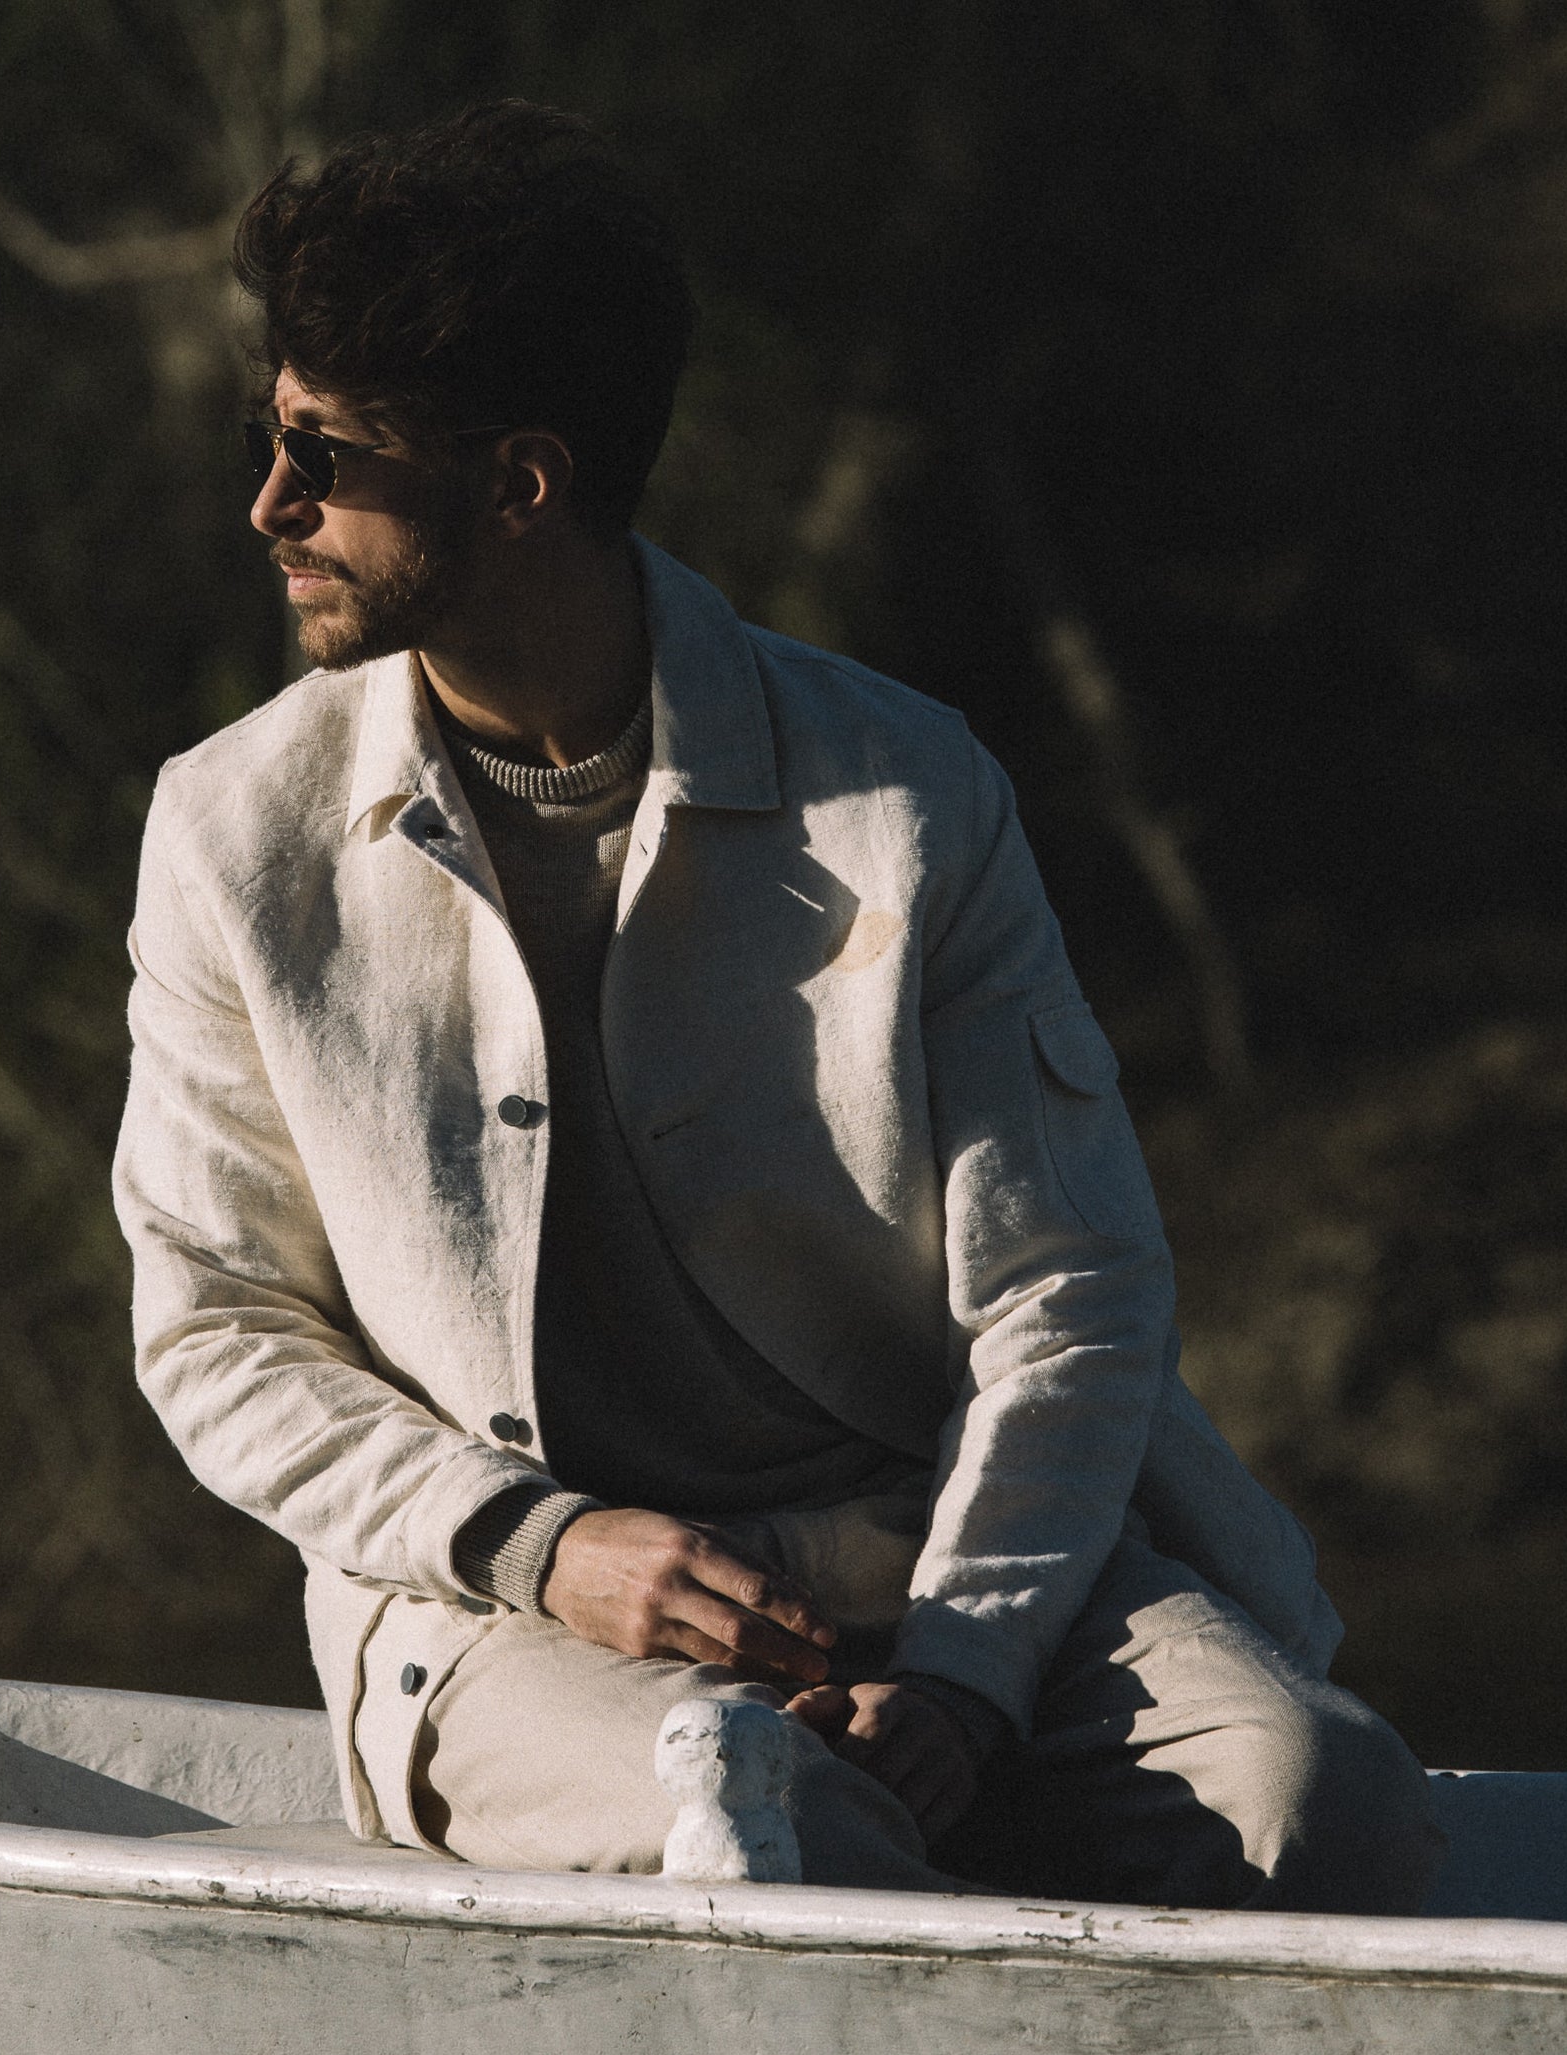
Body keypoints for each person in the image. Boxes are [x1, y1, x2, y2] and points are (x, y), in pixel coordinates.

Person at [112, 100, 1441, 1909]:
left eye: (324, 455)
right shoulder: (229, 830)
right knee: (762, 1822)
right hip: (504, 1621)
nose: (270, 503)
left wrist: (966, 1672)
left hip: (942, 1566)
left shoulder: (908, 789)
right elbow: (216, 1327)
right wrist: (543, 1545)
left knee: (1321, 1803)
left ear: (521, 482)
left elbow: (1069, 1290)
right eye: (273, 438)